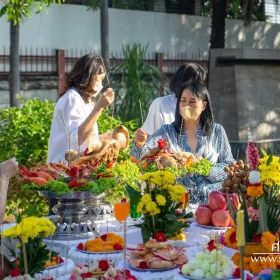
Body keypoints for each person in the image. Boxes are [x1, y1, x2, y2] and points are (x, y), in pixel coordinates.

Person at [130, 82, 234, 204]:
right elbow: (141, 160)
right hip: (175, 205)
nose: (186, 106)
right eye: (183, 101)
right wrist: (139, 144)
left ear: (204, 105)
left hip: (212, 205)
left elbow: (230, 167)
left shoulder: (217, 131)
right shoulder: (166, 132)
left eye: (192, 102)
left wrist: (206, 169)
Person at [47, 54, 115, 163]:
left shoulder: (87, 102)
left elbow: (85, 141)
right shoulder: (72, 98)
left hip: (79, 167)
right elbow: (78, 138)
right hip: (63, 168)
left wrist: (102, 138)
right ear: (88, 77)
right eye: (99, 79)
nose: (101, 84)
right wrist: (99, 107)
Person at [134, 63, 206, 147]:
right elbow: (146, 137)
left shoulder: (200, 107)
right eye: (198, 85)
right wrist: (141, 137)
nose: (200, 89)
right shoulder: (161, 104)